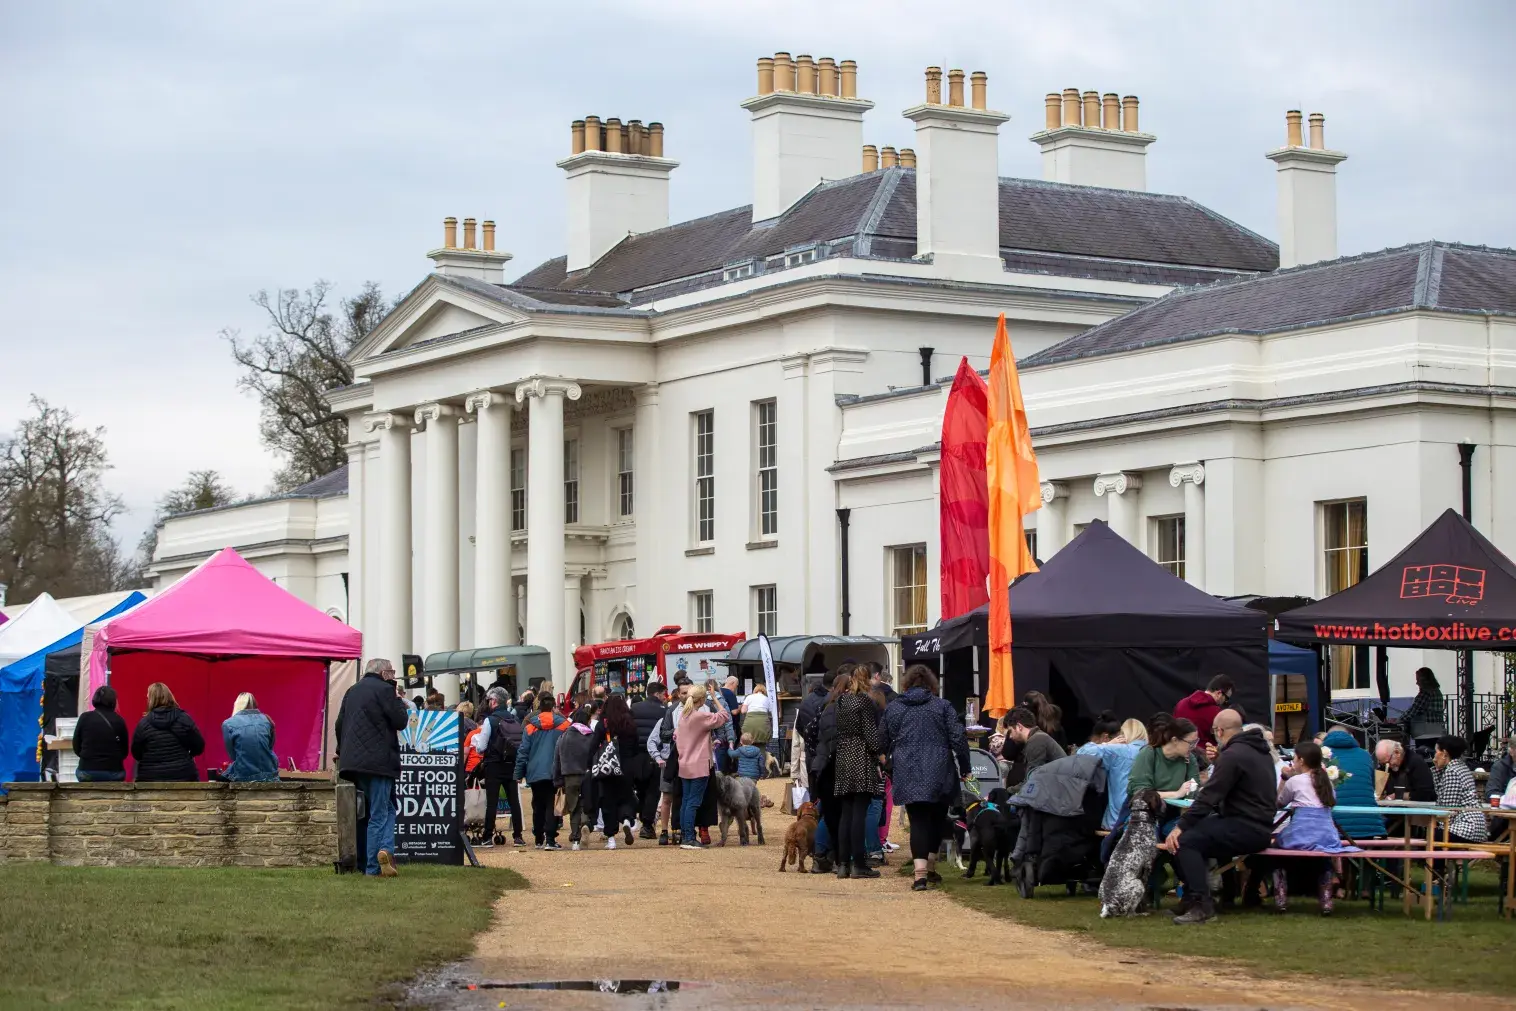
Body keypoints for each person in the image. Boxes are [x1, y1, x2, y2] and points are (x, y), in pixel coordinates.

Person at [1159, 710, 1276, 925]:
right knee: (1195, 836)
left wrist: (1181, 826)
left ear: (1219, 731)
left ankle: (1202, 905)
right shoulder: (1261, 753)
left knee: (1184, 841)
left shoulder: (1233, 756)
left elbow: (1209, 797)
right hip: (1260, 826)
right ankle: (1194, 898)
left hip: (1245, 827)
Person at [879, 665, 970, 891]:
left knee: (918, 820)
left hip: (908, 768)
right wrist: (966, 767)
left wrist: (888, 764)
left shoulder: (895, 708)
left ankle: (920, 876)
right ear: (931, 685)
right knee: (937, 819)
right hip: (940, 769)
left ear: (906, 684)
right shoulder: (942, 706)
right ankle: (930, 868)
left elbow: (881, 741)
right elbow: (958, 738)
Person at [335, 658, 411, 877]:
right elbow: (401, 721)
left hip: (354, 763)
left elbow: (340, 723)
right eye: (392, 672)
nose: (394, 676)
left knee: (386, 808)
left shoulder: (352, 691)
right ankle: (373, 867)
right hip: (379, 762)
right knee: (379, 813)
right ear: (384, 673)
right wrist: (396, 697)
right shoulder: (386, 690)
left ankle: (385, 850)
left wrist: (342, 750)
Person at [1271, 741, 1346, 913]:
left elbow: (1279, 802)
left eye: (1295, 758)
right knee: (1323, 857)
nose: (1293, 761)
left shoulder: (1295, 781)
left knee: (1276, 851)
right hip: (1327, 834)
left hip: (1301, 831)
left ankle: (1280, 897)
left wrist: (1284, 778)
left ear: (1302, 761)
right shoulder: (1326, 781)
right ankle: (1326, 901)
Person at [830, 666, 884, 879]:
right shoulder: (865, 701)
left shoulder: (842, 700)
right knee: (859, 812)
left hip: (843, 755)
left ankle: (843, 863)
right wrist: (881, 755)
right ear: (868, 680)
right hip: (860, 755)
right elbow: (870, 733)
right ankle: (858, 864)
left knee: (846, 812)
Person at [674, 684, 731, 849]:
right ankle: (690, 838)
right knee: (693, 802)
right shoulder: (699, 716)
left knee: (686, 801)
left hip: (684, 763)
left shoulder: (683, 716)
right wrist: (715, 697)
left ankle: (686, 835)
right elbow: (724, 715)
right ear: (702, 699)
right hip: (699, 764)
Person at [1127, 715, 1201, 838]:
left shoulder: (1189, 759)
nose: (1194, 747)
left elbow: (1193, 787)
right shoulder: (1149, 753)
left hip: (1176, 814)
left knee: (1190, 835)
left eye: (1196, 742)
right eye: (1191, 743)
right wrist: (1177, 794)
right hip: (1148, 813)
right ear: (1175, 740)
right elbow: (1141, 793)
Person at [514, 693, 570, 849]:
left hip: (535, 771)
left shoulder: (530, 727)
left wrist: (518, 773)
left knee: (538, 804)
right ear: (553, 706)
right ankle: (550, 839)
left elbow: (523, 752)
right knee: (552, 804)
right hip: (554, 770)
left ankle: (539, 837)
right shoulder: (564, 725)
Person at [473, 689, 525, 846]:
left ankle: (487, 836)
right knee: (513, 800)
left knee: (492, 802)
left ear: (494, 701)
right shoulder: (514, 719)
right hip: (511, 764)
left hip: (494, 764)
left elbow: (481, 747)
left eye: (490, 701)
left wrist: (477, 745)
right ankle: (518, 836)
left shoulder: (490, 720)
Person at [1077, 713, 1145, 831]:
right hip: (1145, 817)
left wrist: (1107, 744)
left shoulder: (1120, 750)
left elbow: (1082, 753)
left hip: (1118, 818)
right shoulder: (1152, 750)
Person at [591, 693, 641, 849]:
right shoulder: (630, 723)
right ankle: (627, 819)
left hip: (608, 766)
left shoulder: (603, 724)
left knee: (608, 802)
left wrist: (589, 764)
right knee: (627, 797)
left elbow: (593, 746)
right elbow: (636, 745)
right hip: (626, 766)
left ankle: (611, 837)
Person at [131, 682, 205, 783]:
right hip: (183, 776)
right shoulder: (184, 719)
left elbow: (136, 754)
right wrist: (188, 754)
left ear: (151, 700)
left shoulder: (143, 724)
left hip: (150, 778)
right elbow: (199, 746)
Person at [1320, 729, 1384, 839]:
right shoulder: (1365, 755)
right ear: (1351, 737)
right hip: (1368, 824)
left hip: (1331, 826)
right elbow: (1372, 786)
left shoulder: (1320, 755)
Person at [630, 682, 669, 839]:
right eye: (663, 694)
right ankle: (647, 825)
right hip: (655, 756)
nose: (665, 698)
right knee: (653, 791)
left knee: (640, 790)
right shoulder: (665, 712)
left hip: (637, 755)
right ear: (657, 694)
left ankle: (639, 815)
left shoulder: (634, 709)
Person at [553, 706, 596, 849]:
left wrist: (557, 779)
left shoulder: (564, 736)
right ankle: (585, 823)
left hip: (569, 775)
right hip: (587, 774)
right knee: (585, 804)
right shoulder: (591, 736)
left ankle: (576, 839)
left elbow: (557, 759)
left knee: (573, 807)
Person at [1432, 735, 1488, 844]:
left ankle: (1432, 861)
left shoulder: (1452, 772)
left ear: (1444, 753)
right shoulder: (1461, 767)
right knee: (1433, 834)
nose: (1434, 756)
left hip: (1466, 827)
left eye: (1436, 752)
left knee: (1432, 835)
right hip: (1476, 827)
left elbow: (1447, 809)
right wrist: (1437, 769)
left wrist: (1441, 829)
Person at [72, 685, 129, 782]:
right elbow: (124, 751)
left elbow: (76, 746)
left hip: (87, 771)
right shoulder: (119, 720)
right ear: (113, 701)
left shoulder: (84, 718)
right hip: (113, 772)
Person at [222, 692, 278, 783]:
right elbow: (270, 747)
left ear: (236, 705)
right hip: (269, 773)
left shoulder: (228, 723)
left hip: (243, 775)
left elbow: (233, 755)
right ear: (255, 705)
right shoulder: (267, 719)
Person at [1002, 707, 1064, 782]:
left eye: (1010, 731)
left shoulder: (1036, 740)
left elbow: (1032, 781)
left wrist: (1007, 792)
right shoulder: (1038, 738)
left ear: (1019, 727)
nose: (1010, 736)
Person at [1174, 675, 1234, 752]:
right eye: (1226, 699)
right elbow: (1222, 740)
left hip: (1177, 752)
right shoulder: (1217, 713)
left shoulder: (1181, 703)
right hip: (1203, 758)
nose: (1225, 702)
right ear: (1219, 693)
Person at [1375, 738, 1436, 803]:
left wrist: (1398, 795)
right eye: (1383, 764)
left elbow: (1426, 793)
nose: (1388, 766)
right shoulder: (1387, 765)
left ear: (1397, 752)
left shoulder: (1416, 762)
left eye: (1388, 762)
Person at [1486, 737, 1516, 805]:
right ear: (1511, 751)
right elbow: (1490, 793)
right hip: (1506, 811)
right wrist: (1511, 799)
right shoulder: (1500, 767)